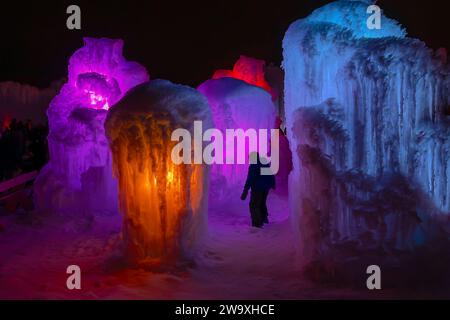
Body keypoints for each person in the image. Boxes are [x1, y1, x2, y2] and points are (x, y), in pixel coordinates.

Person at [240, 152, 275, 228]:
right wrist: (273, 184)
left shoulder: (253, 166)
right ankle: (264, 219)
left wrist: (245, 191)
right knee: (262, 203)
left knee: (253, 205)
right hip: (266, 188)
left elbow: (250, 179)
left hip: (257, 188)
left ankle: (257, 224)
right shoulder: (264, 163)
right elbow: (270, 175)